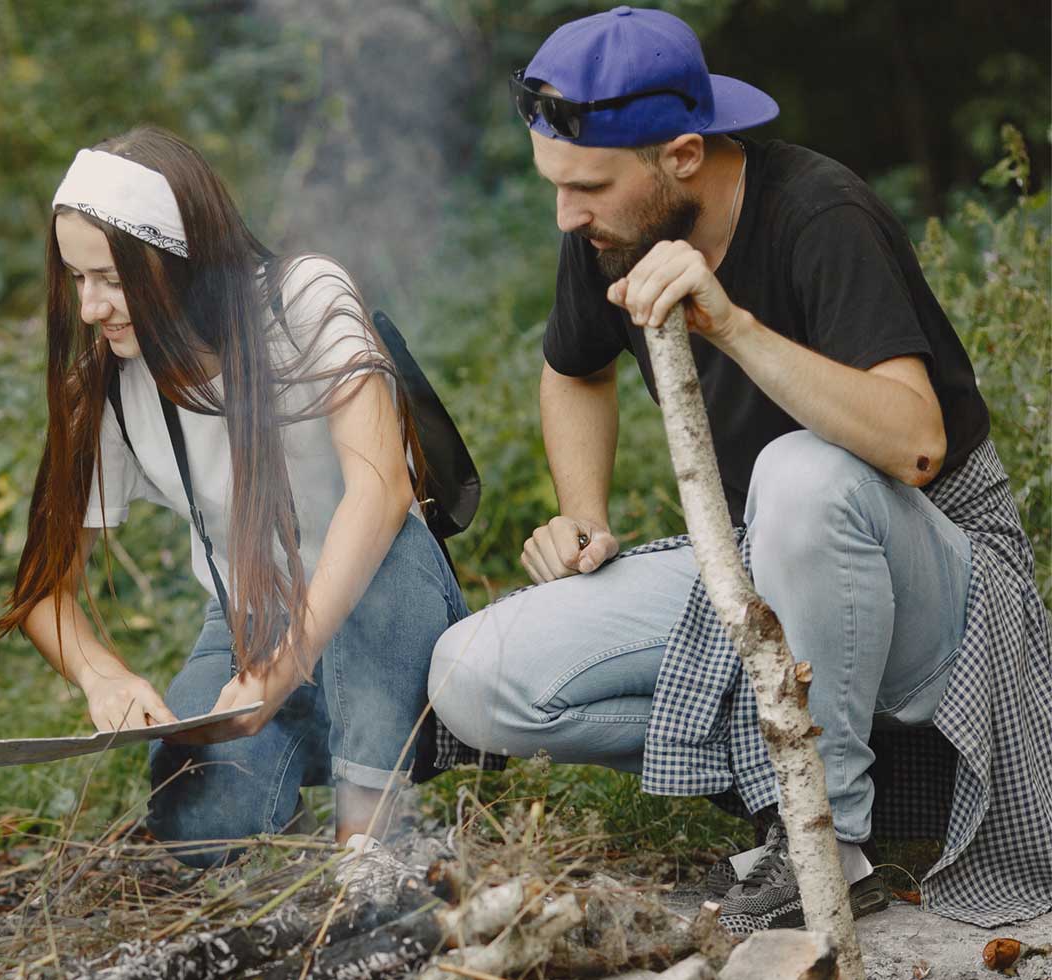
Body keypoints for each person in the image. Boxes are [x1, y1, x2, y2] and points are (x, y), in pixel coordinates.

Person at [429, 6, 1049, 934]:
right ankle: (775, 768)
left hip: (945, 584)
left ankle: (823, 845)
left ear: (681, 154)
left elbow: (916, 441)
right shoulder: (609, 222)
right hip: (759, 561)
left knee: (804, 473)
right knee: (476, 675)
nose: (566, 215)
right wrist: (583, 512)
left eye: (587, 187)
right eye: (555, 186)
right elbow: (572, 370)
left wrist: (735, 325)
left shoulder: (820, 212)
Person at [0, 127, 467, 877]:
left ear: (176, 260)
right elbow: (43, 592)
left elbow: (382, 494)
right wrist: (101, 675)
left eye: (110, 279)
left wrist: (285, 665)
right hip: (246, 617)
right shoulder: (111, 386)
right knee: (201, 821)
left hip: (382, 598)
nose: (89, 307)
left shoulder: (303, 299)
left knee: (387, 564)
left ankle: (369, 846)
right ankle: (297, 793)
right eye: (76, 279)